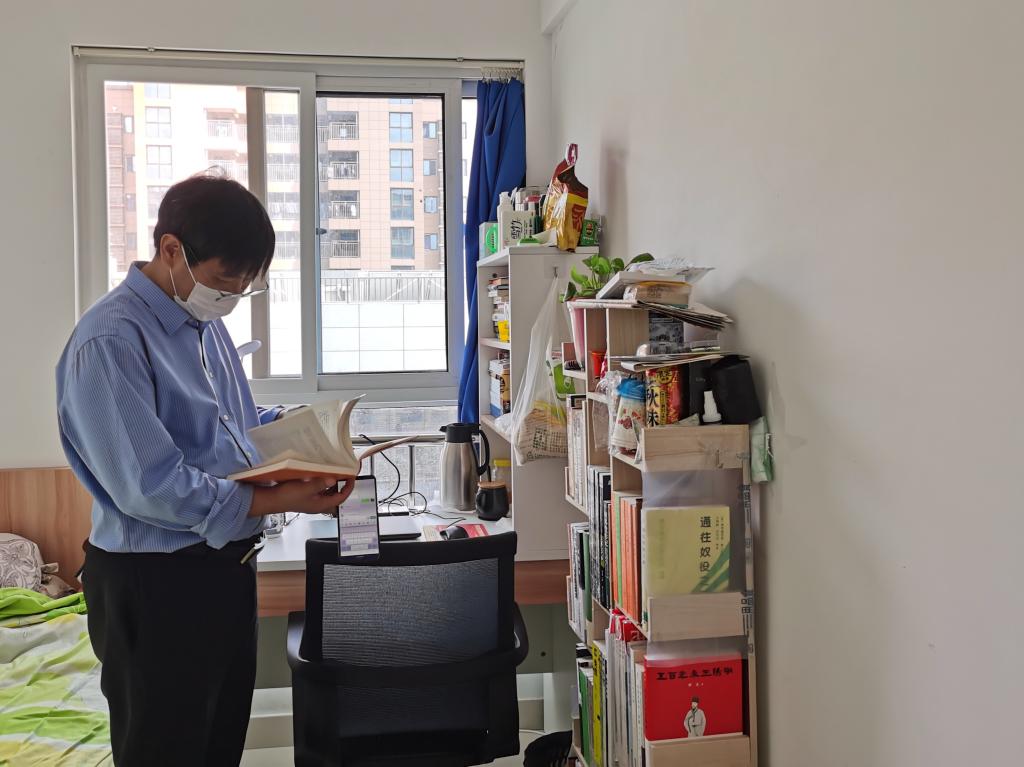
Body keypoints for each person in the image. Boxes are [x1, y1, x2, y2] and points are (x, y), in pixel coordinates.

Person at [56, 172, 353, 766]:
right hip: (156, 582)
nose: (230, 298)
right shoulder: (110, 340)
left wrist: (300, 431)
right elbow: (153, 486)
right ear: (171, 249)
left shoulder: (203, 325)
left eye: (245, 287)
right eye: (223, 282)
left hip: (225, 569)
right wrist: (281, 498)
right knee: (165, 750)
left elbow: (226, 426)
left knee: (219, 743)